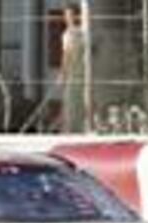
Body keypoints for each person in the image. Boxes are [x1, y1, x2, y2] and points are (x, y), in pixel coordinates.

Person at [60, 4, 87, 133]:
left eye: (71, 15)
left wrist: (62, 74)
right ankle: (73, 128)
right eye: (66, 15)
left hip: (79, 74)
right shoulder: (72, 33)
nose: (68, 18)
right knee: (72, 103)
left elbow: (67, 55)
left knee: (75, 103)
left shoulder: (75, 33)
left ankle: (75, 129)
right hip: (75, 74)